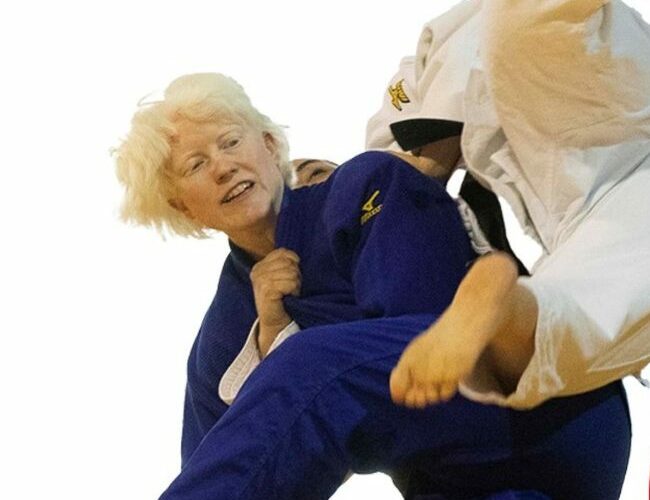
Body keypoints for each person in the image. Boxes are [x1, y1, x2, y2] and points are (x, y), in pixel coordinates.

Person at [115, 72, 630, 499]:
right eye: (196, 165)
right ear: (181, 207)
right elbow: (217, 469)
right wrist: (266, 334)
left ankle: (503, 298)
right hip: (454, 482)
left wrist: (284, 347)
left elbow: (422, 363)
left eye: (230, 142)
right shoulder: (224, 338)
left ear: (270, 146)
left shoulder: (360, 187)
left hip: (539, 413)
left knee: (311, 365)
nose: (223, 167)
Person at [365, 0, 650, 410]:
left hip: (583, 172)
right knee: (589, 303)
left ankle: (511, 309)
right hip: (597, 117)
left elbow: (395, 169)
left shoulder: (442, 40)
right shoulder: (442, 38)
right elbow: (389, 170)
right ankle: (508, 310)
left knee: (582, 301)